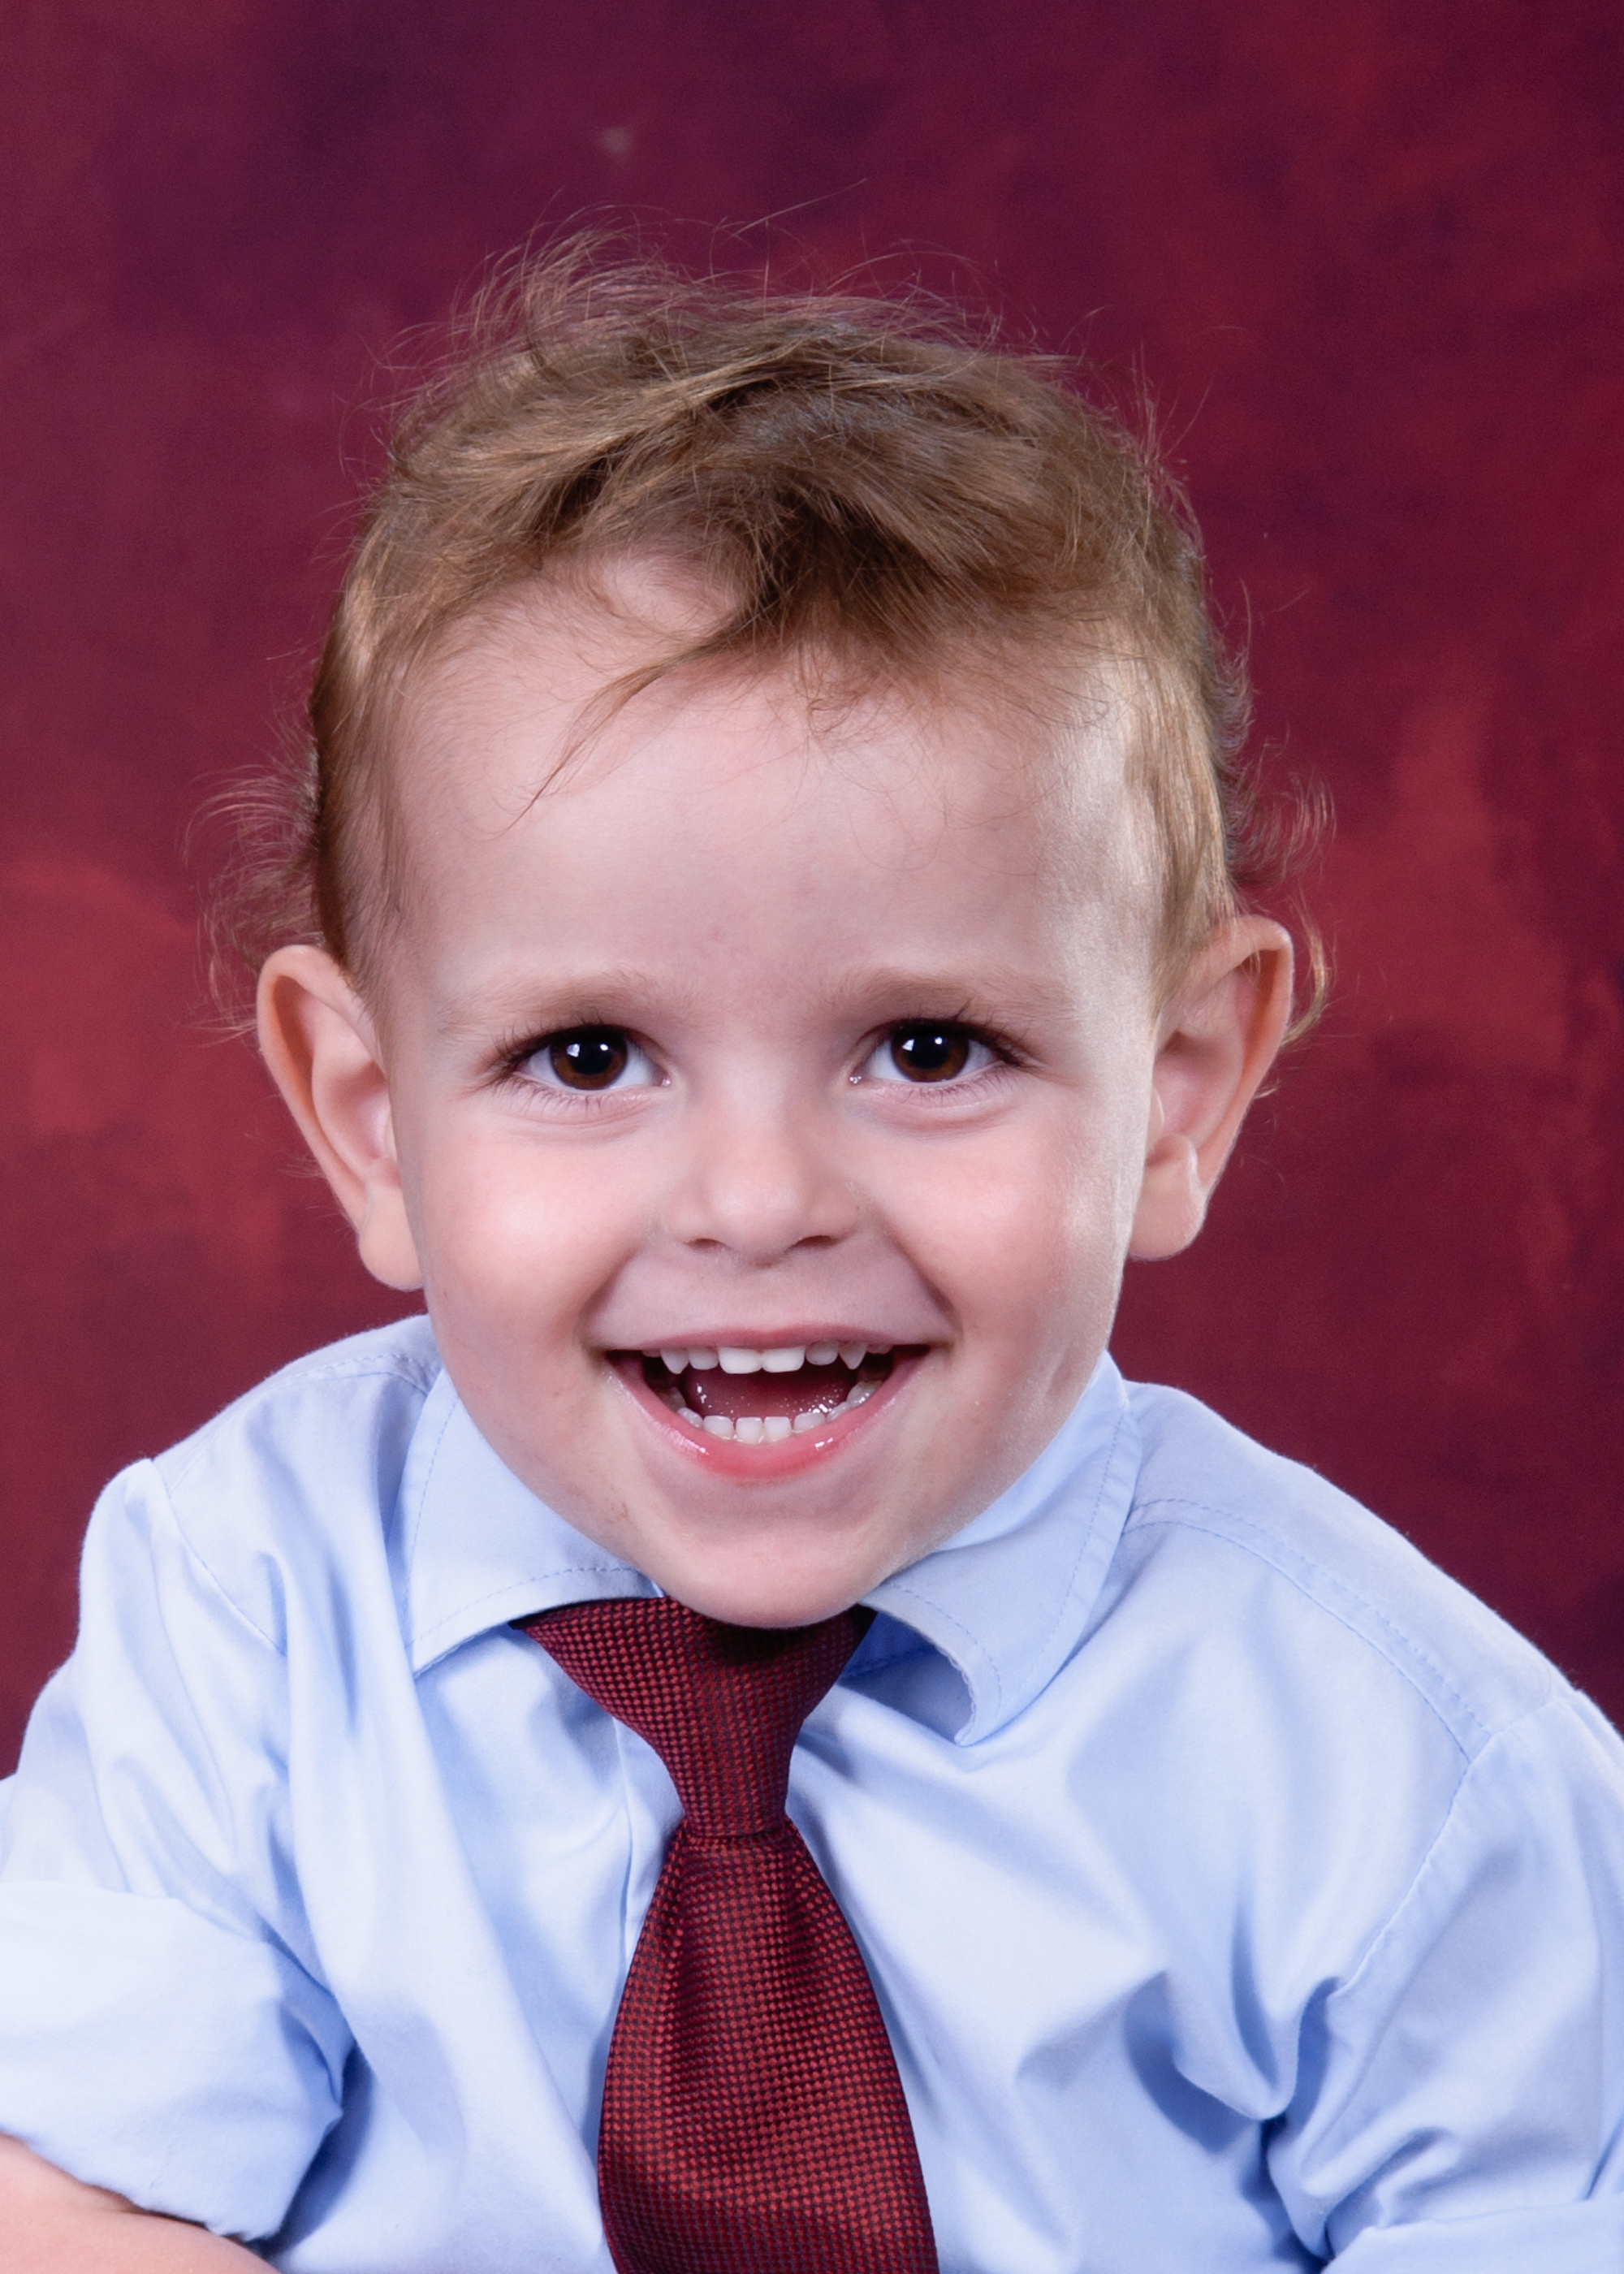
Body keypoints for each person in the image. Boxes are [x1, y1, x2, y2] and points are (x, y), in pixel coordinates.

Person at [2, 249, 1622, 2274]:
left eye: (928, 1049)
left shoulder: (1399, 1765)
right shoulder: (249, 1600)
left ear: (1177, 1087)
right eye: (587, 1055)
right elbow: (66, 2193)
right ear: (369, 1116)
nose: (758, 1199)